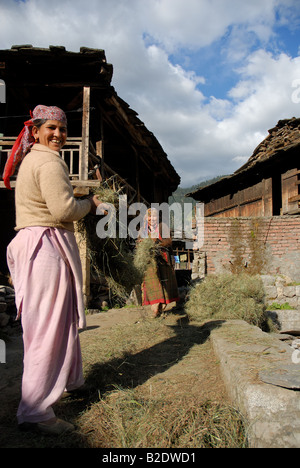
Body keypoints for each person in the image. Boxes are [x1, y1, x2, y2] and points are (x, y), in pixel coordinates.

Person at [3, 105, 103, 435]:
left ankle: (70, 382)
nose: (58, 134)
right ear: (35, 131)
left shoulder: (35, 159)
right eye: (51, 128)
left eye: (62, 129)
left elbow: (54, 199)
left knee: (55, 322)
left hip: (35, 243)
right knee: (47, 327)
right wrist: (91, 204)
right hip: (44, 246)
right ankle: (35, 412)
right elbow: (63, 209)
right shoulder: (48, 160)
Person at [140, 208, 179, 317]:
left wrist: (157, 244)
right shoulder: (143, 229)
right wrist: (142, 243)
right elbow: (139, 242)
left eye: (154, 216)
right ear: (146, 218)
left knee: (164, 282)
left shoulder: (163, 227)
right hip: (149, 261)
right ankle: (155, 308)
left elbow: (169, 241)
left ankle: (161, 305)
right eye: (149, 216)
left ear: (158, 217)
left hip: (163, 260)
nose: (152, 219)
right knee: (153, 284)